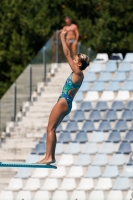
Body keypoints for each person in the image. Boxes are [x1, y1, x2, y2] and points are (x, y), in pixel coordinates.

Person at [37, 31, 89, 165]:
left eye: (76, 59)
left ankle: (49, 156)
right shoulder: (77, 73)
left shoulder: (78, 72)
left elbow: (66, 54)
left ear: (79, 64)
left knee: (50, 128)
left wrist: (62, 38)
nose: (73, 59)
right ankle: (49, 156)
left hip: (63, 101)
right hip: (67, 102)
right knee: (52, 129)